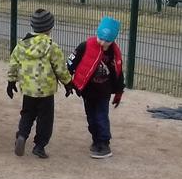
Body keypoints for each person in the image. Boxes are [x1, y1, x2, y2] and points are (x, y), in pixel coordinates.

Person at [7, 9, 75, 159]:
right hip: (46, 91)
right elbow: (60, 68)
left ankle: (22, 135)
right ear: (50, 27)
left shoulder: (22, 44)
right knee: (45, 119)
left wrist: (11, 81)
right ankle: (39, 146)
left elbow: (13, 63)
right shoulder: (52, 46)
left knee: (27, 114)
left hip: (28, 89)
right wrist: (68, 83)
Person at [67, 16, 125, 159]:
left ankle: (104, 143)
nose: (103, 43)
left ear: (113, 40)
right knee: (91, 118)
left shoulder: (113, 53)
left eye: (107, 41)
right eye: (101, 38)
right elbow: (70, 63)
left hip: (103, 92)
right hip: (87, 91)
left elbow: (118, 73)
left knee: (101, 117)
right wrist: (68, 81)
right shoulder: (85, 46)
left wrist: (119, 92)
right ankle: (95, 139)